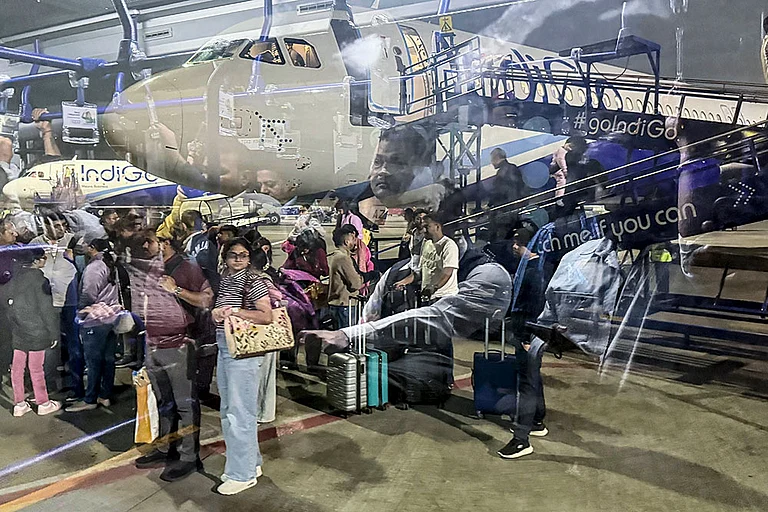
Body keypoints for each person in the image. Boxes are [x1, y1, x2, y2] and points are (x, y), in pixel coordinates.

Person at [133, 230, 210, 482]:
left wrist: (176, 289)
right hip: (152, 344)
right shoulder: (151, 267)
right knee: (163, 402)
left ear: (165, 243)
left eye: (150, 241)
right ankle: (167, 448)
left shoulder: (187, 267)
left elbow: (206, 300)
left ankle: (189, 457)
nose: (145, 246)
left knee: (184, 404)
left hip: (178, 345)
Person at [212, 238, 274, 495]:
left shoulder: (253, 281)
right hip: (226, 346)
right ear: (225, 257)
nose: (238, 259)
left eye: (243, 255)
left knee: (240, 413)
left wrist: (235, 312)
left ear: (249, 258)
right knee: (230, 409)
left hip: (244, 350)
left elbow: (266, 315)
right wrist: (217, 314)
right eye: (233, 255)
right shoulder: (226, 279)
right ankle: (251, 463)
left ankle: (242, 474)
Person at [0, 247, 62, 417]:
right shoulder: (39, 280)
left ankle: (19, 404)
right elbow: (46, 310)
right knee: (36, 368)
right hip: (36, 330)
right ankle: (43, 403)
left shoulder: (11, 279)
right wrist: (53, 333)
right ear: (35, 261)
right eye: (43, 258)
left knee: (17, 368)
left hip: (17, 329)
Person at [67, 239, 120, 412]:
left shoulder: (94, 267)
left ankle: (90, 399)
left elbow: (88, 294)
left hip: (95, 320)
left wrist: (81, 312)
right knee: (108, 359)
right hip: (111, 318)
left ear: (92, 248)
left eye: (85, 244)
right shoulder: (111, 263)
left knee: (93, 361)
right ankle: (105, 395)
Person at [30, 211, 77, 392]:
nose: (62, 230)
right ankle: (49, 385)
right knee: (50, 342)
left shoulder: (71, 240)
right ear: (46, 226)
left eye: (64, 225)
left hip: (70, 300)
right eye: (57, 226)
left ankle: (76, 384)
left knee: (74, 342)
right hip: (47, 301)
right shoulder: (35, 244)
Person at [395, 213, 459, 304]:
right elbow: (420, 272)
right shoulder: (426, 243)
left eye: (427, 226)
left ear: (437, 227)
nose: (423, 230)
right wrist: (403, 282)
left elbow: (447, 272)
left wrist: (433, 287)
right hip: (428, 297)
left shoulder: (449, 245)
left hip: (444, 298)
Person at [326, 227, 364, 329]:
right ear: (346, 242)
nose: (355, 242)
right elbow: (355, 284)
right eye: (353, 239)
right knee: (348, 336)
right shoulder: (342, 258)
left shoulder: (337, 256)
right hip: (345, 306)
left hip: (340, 305)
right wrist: (362, 278)